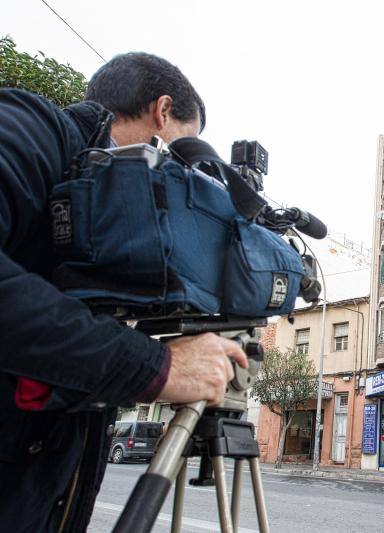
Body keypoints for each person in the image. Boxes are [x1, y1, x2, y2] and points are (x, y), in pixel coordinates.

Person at [0, 53, 249, 532]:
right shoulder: (32, 131)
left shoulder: (115, 235)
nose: (186, 177)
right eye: (187, 151)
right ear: (162, 112)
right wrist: (157, 367)